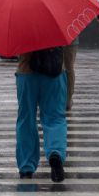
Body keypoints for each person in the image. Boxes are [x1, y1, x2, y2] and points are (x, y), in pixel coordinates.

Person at [15, 47, 67, 182]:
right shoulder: (56, 26)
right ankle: (56, 153)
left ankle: (26, 167)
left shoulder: (20, 26)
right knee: (55, 118)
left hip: (26, 72)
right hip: (53, 71)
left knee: (26, 119)